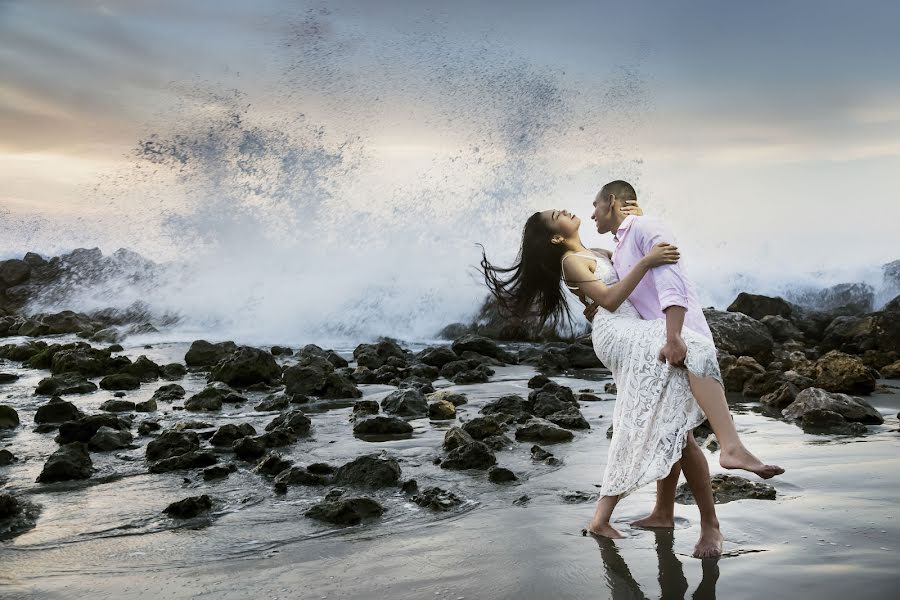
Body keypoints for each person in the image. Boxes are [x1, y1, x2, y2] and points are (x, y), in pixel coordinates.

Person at [479, 196, 782, 558]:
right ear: (556, 238)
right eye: (557, 215)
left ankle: (661, 513)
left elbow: (625, 263)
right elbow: (608, 300)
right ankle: (729, 451)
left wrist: (632, 221)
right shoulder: (571, 261)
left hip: (636, 326)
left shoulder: (596, 250)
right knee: (694, 350)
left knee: (672, 426)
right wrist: (648, 261)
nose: (568, 210)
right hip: (619, 334)